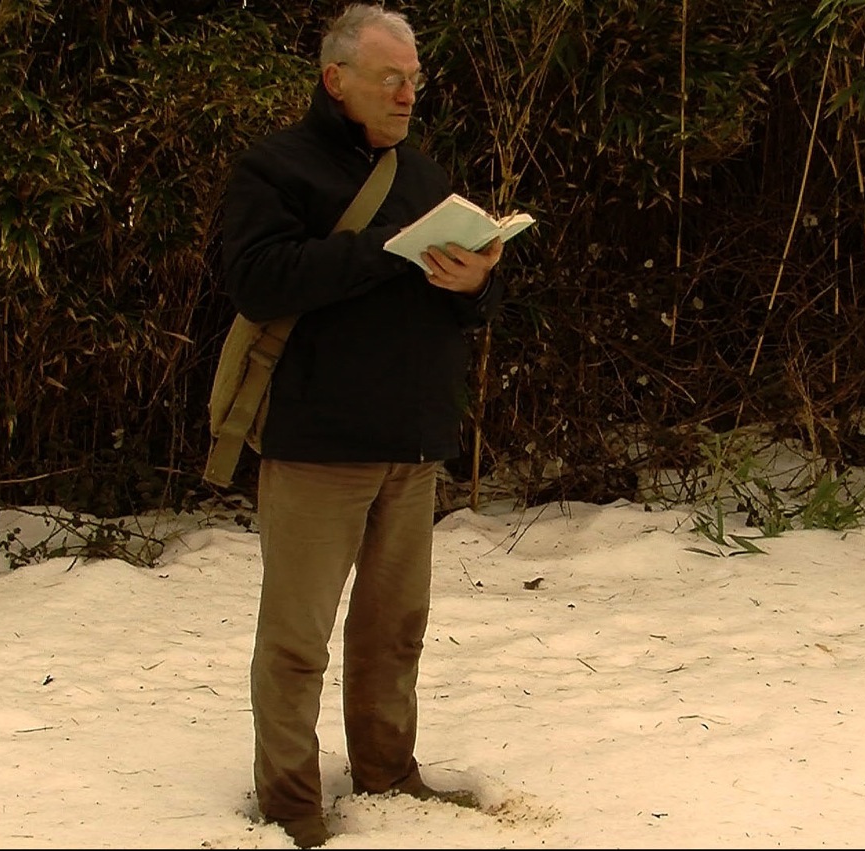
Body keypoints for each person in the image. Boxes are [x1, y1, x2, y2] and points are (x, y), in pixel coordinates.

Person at [219, 3, 507, 848]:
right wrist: (384, 249)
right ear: (335, 79)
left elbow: (468, 305)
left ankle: (387, 771)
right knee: (297, 640)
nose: (407, 94)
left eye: (414, 79)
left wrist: (477, 284)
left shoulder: (424, 175)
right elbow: (258, 280)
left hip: (412, 444)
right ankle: (290, 802)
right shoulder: (275, 168)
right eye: (390, 78)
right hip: (319, 444)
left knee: (394, 631)